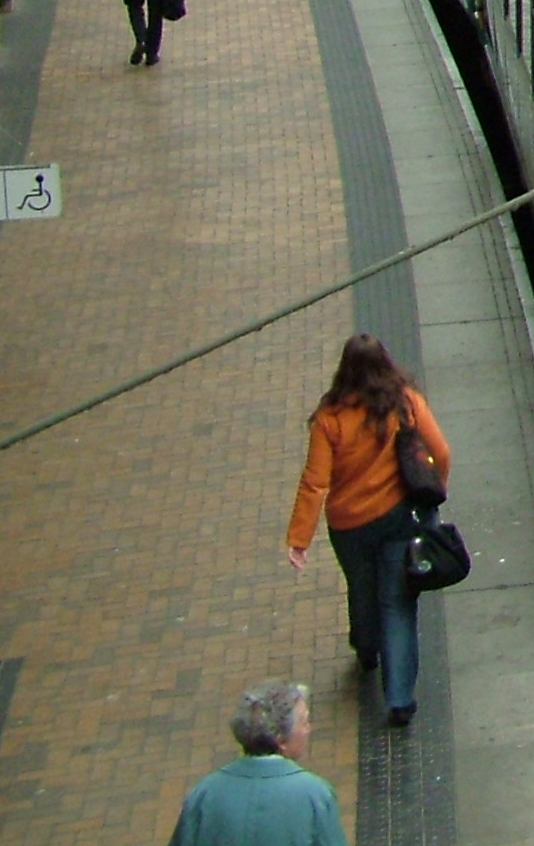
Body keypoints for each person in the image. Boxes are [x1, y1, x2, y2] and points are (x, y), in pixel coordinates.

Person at [286, 335, 450, 728]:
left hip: (348, 526)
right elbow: (440, 452)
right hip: (397, 519)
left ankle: (366, 648)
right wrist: (435, 489)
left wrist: (299, 539)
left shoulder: (330, 419)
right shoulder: (405, 402)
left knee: (361, 588)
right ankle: (398, 700)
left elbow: (315, 482)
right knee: (397, 603)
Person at [167, 683, 343, 846]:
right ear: (280, 739)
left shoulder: (204, 794)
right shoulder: (315, 795)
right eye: (304, 721)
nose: (309, 729)